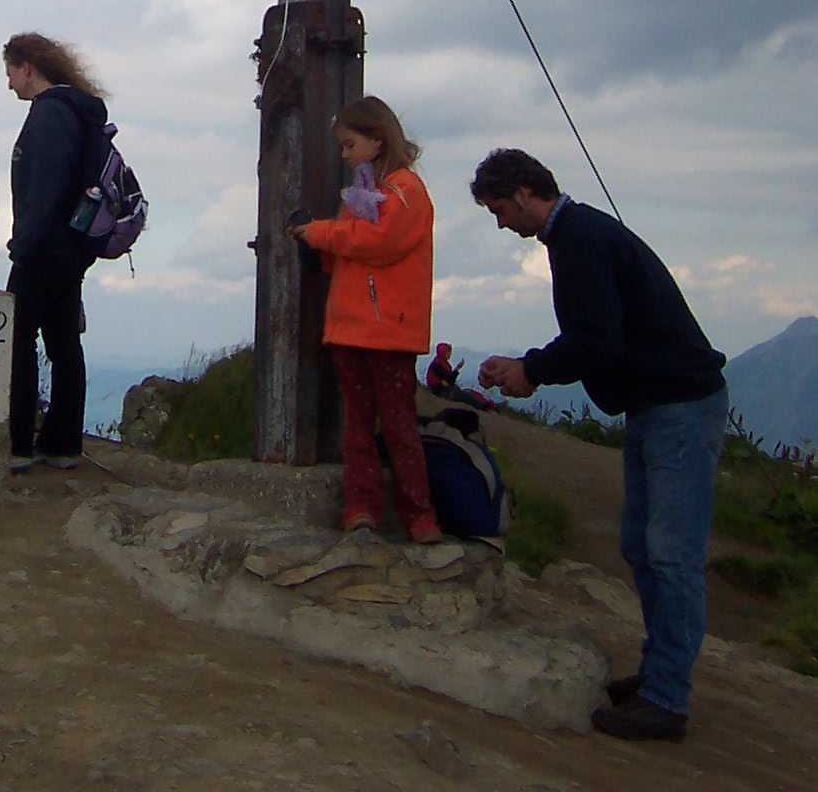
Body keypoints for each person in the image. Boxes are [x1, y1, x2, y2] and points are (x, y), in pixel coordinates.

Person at [472, 148, 728, 744]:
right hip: (659, 403)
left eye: (500, 209)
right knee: (643, 546)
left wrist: (532, 370)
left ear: (527, 194)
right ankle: (659, 677)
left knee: (670, 553)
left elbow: (598, 338)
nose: (501, 223)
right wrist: (531, 365)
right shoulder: (577, 234)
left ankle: (666, 699)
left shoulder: (579, 240)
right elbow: (600, 334)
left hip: (678, 406)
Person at [288, 96, 443, 543]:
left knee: (395, 424)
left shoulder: (405, 190)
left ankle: (417, 514)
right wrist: (321, 244)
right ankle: (364, 509)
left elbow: (378, 242)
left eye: (349, 144)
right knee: (361, 424)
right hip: (356, 326)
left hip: (386, 329)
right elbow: (353, 249)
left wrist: (320, 234)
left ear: (377, 140)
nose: (344, 154)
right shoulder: (366, 193)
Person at [3, 31, 110, 473]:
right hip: (73, 244)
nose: (9, 83)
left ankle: (18, 443)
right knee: (64, 341)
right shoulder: (77, 111)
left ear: (27, 67)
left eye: (10, 72)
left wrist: (23, 245)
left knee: (17, 336)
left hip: (46, 246)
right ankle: (62, 444)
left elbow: (46, 186)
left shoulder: (49, 114)